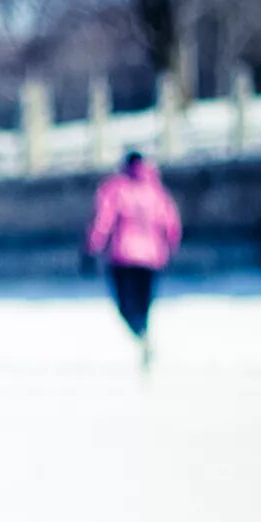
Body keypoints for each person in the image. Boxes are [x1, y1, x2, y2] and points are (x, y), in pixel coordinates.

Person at [86, 150, 183, 368]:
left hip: (123, 257)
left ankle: (141, 336)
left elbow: (103, 220)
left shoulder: (115, 188)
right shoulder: (156, 191)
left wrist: (92, 247)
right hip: (152, 259)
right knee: (144, 304)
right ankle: (144, 336)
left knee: (125, 306)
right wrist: (171, 246)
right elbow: (171, 222)